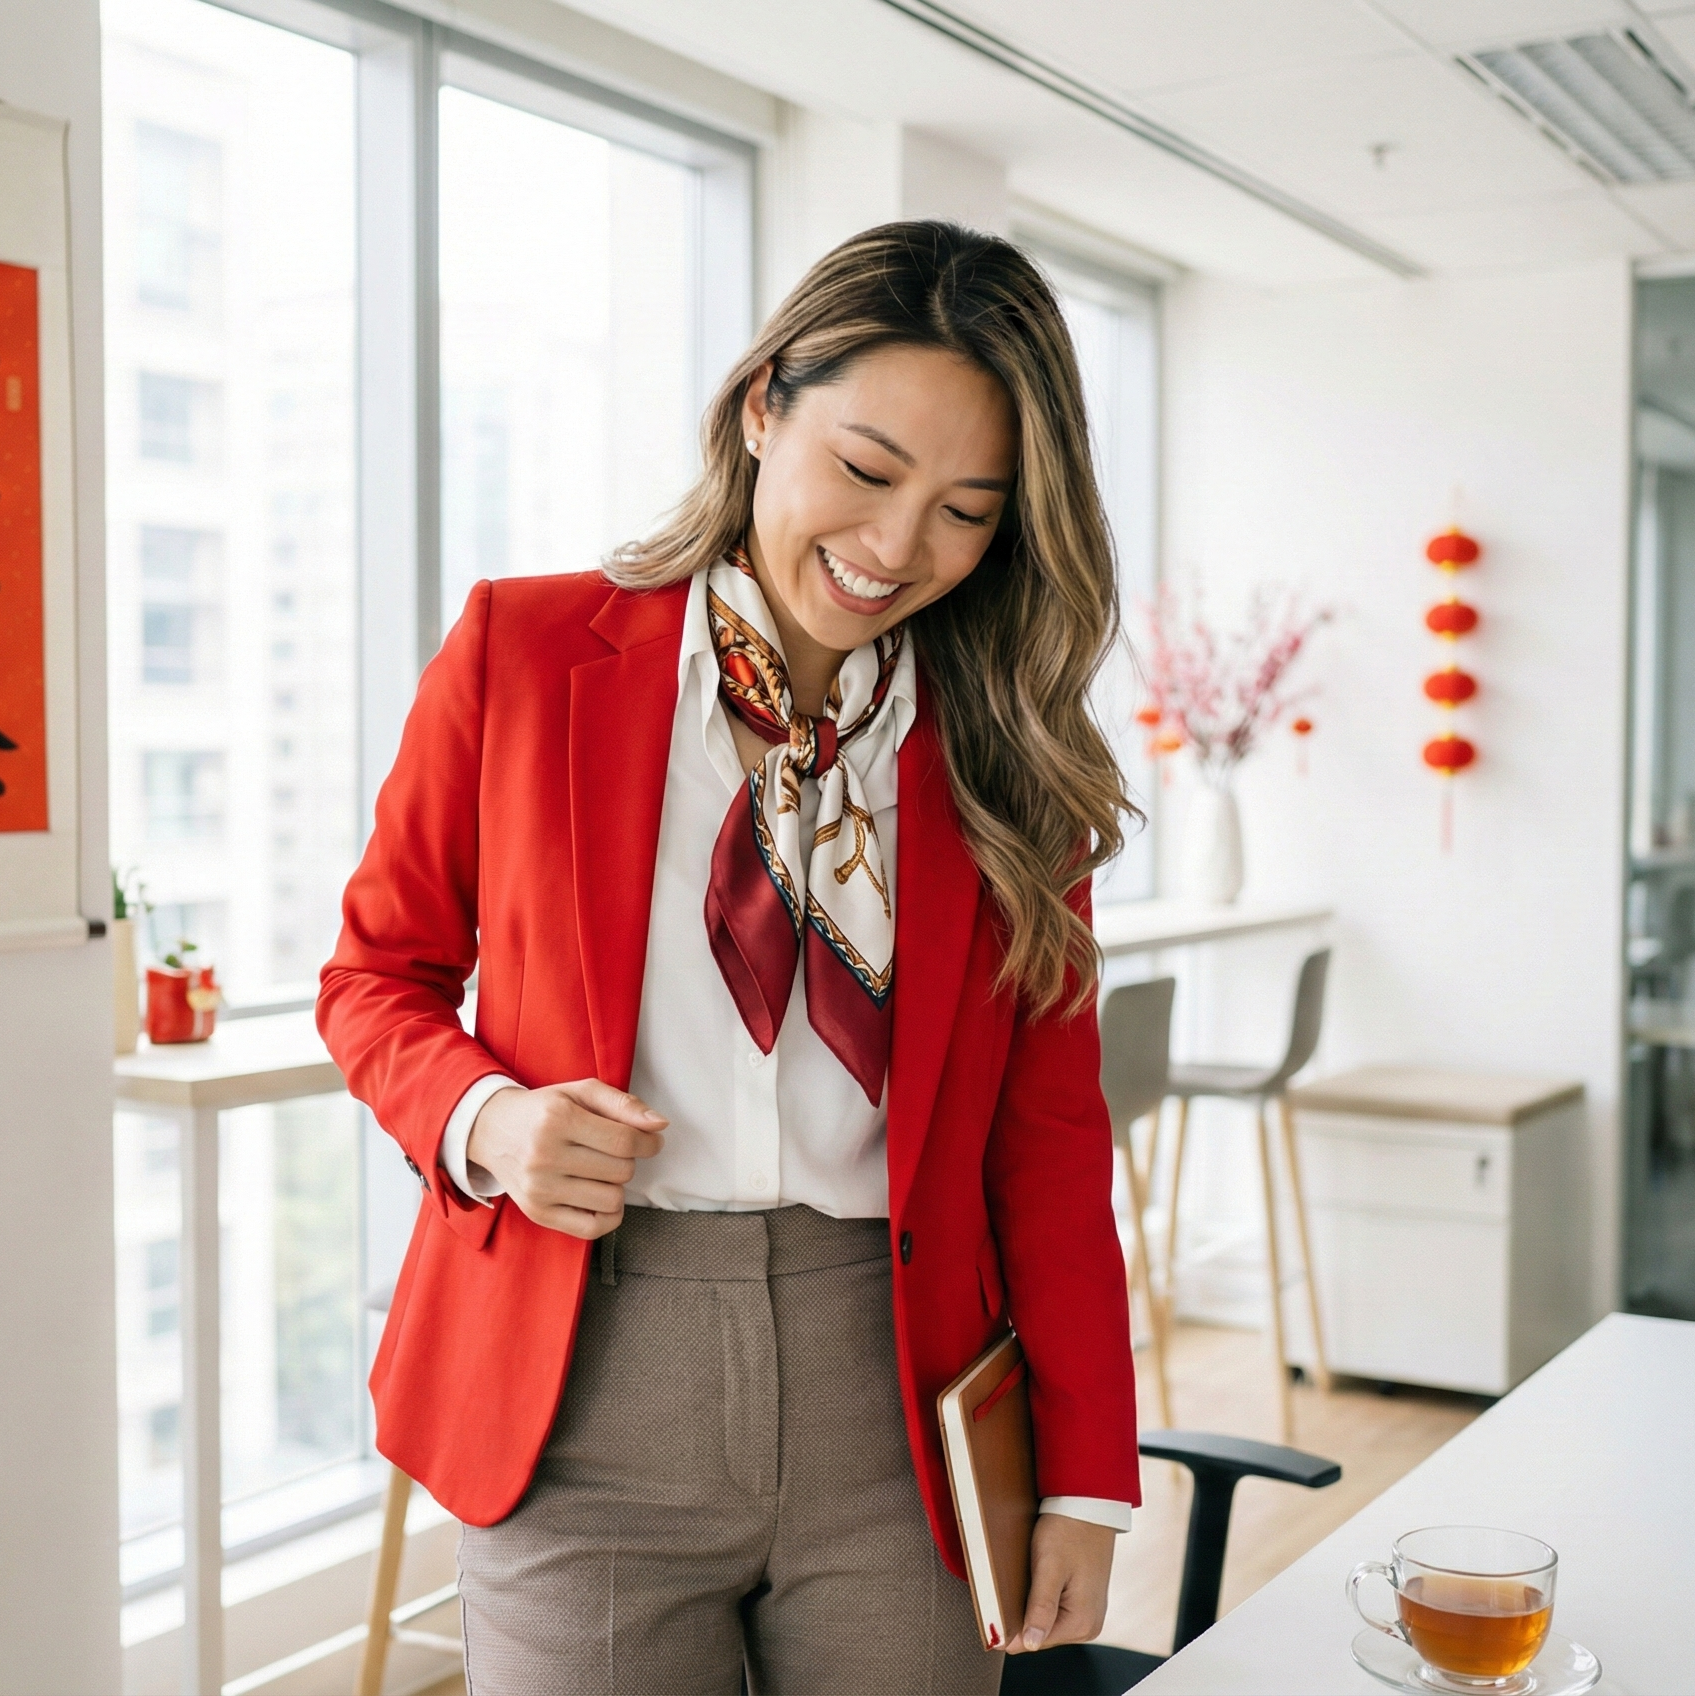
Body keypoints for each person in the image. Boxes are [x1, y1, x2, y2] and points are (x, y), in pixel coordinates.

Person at [319, 221, 1139, 1694]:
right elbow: (375, 975)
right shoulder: (524, 654)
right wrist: (486, 1119)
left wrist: (1085, 1472)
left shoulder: (1007, 760)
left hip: (899, 1398)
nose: (896, 552)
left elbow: (1051, 1139)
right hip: (586, 1384)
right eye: (868, 472)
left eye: (967, 512)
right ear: (762, 405)